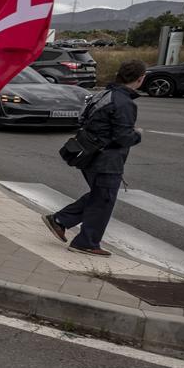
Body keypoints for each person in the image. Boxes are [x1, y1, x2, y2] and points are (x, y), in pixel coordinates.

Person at [44, 60, 145, 256]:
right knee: (103, 200)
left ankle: (60, 220)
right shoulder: (124, 102)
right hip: (106, 160)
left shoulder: (103, 94)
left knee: (99, 196)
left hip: (88, 154)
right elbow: (123, 137)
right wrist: (138, 134)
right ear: (141, 79)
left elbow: (82, 119)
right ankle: (86, 242)